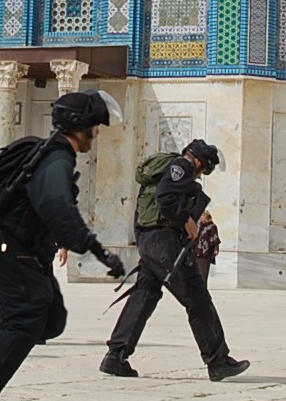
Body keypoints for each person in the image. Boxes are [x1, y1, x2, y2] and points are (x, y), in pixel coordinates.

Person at [0, 89, 128, 401]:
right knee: (25, 320)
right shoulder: (56, 160)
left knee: (52, 319)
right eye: (94, 126)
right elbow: (60, 210)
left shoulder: (48, 152)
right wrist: (100, 252)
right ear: (80, 126)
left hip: (21, 244)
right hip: (9, 243)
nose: (96, 133)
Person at [102, 138, 246, 381]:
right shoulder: (183, 166)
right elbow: (166, 198)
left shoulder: (162, 170)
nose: (200, 175)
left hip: (149, 241)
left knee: (144, 295)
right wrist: (186, 220)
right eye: (204, 170)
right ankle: (218, 361)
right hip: (166, 243)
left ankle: (116, 356)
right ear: (199, 161)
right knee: (198, 300)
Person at [195, 210, 219, 281]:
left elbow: (215, 238)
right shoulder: (198, 225)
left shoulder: (212, 227)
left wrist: (216, 248)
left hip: (206, 253)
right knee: (196, 273)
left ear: (206, 216)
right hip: (196, 251)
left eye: (202, 215)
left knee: (203, 273)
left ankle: (203, 287)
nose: (200, 217)